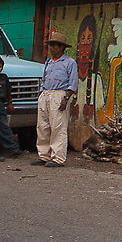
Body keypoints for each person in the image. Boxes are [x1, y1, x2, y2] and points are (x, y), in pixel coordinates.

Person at [31, 31, 77, 168]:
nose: (52, 48)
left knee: (58, 127)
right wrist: (41, 94)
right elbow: (44, 78)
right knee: (42, 126)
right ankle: (43, 155)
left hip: (59, 94)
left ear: (62, 47)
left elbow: (73, 82)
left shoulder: (70, 63)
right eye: (51, 45)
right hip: (46, 93)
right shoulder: (49, 62)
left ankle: (58, 158)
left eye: (55, 45)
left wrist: (66, 97)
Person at [0, 56, 27, 157]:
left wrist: (10, 103)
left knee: (4, 126)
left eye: (0, 66)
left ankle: (12, 149)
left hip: (0, 104)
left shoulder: (3, 77)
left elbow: (8, 91)